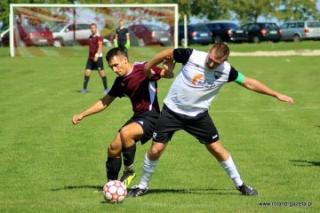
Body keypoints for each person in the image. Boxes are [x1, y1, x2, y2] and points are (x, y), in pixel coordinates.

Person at [128, 43, 294, 197]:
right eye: (210, 59)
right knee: (156, 150)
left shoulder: (227, 71)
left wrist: (275, 94)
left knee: (217, 149)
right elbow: (168, 52)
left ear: (224, 60)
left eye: (216, 62)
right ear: (208, 52)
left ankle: (240, 184)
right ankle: (142, 185)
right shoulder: (191, 55)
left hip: (198, 116)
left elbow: (249, 82)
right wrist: (148, 67)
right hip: (172, 111)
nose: (211, 64)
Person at [72, 47, 174, 187]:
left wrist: (169, 66)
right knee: (113, 148)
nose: (114, 70)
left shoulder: (143, 68)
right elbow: (104, 102)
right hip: (138, 117)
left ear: (125, 60)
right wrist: (82, 114)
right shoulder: (120, 81)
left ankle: (129, 171)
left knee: (126, 133)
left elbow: (167, 74)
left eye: (116, 65)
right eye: (111, 67)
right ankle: (111, 185)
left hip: (152, 116)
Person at [81, 23, 108, 94]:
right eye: (91, 28)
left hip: (98, 58)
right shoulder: (90, 37)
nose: (93, 29)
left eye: (94, 28)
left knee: (101, 73)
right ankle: (84, 89)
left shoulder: (99, 37)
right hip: (90, 58)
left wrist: (96, 55)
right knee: (87, 73)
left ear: (96, 29)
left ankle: (106, 89)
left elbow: (100, 47)